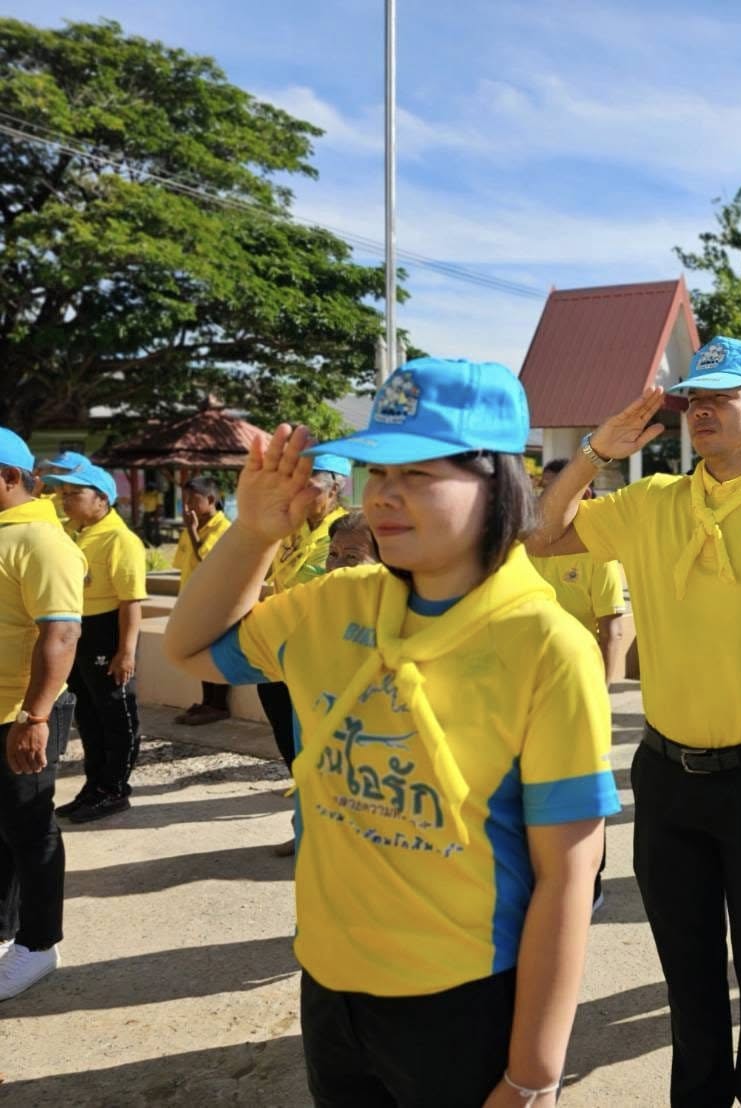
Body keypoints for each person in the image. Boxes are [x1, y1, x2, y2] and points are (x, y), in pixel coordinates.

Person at [165, 357, 617, 1107]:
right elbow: (186, 649)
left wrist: (534, 1073)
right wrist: (251, 534)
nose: (385, 497)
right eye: (377, 472)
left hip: (461, 998)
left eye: (419, 473)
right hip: (329, 981)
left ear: (498, 480)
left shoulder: (545, 644)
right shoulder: (330, 604)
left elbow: (567, 876)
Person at [528, 337, 741, 1107]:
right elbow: (539, 535)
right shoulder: (650, 504)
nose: (703, 410)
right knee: (688, 982)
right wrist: (593, 455)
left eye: (723, 396)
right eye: (695, 398)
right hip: (668, 777)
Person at [0, 429, 83, 1002]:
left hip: (22, 711)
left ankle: (37, 944)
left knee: (31, 829)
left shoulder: (41, 541)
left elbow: (61, 631)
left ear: (8, 476)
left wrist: (35, 718)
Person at [47, 462, 145, 824]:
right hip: (80, 630)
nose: (65, 501)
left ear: (102, 499)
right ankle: (95, 786)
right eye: (64, 494)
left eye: (75, 494)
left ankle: (115, 790)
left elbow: (131, 601)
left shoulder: (120, 539)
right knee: (88, 717)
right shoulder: (75, 533)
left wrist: (126, 651)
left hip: (109, 631)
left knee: (117, 717)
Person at [257, 454, 350, 774]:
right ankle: (297, 771)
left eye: (311, 489)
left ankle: (325, 776)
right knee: (274, 699)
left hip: (323, 636)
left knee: (318, 713)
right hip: (282, 629)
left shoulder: (347, 531)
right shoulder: (290, 528)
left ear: (335, 490)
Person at [529, 459, 627, 687]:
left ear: (585, 496)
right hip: (527, 673)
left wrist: (602, 689)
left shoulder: (598, 554)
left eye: (558, 491)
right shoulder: (523, 545)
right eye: (544, 489)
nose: (547, 499)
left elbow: (610, 633)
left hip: (575, 676)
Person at [172, 476, 233, 725]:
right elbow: (183, 563)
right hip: (193, 601)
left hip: (215, 602)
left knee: (216, 653)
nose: (187, 507)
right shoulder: (193, 526)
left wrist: (192, 530)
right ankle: (206, 701)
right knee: (200, 654)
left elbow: (208, 562)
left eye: (193, 500)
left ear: (211, 500)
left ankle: (219, 705)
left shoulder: (223, 528)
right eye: (184, 501)